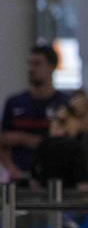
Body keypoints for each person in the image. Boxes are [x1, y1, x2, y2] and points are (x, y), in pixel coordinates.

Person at [1, 46, 71, 179]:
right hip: (20, 175)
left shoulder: (65, 104)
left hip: (56, 177)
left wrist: (22, 138)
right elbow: (3, 140)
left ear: (52, 67)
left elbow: (65, 146)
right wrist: (11, 169)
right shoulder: (14, 102)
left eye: (38, 64)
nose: (31, 69)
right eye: (30, 64)